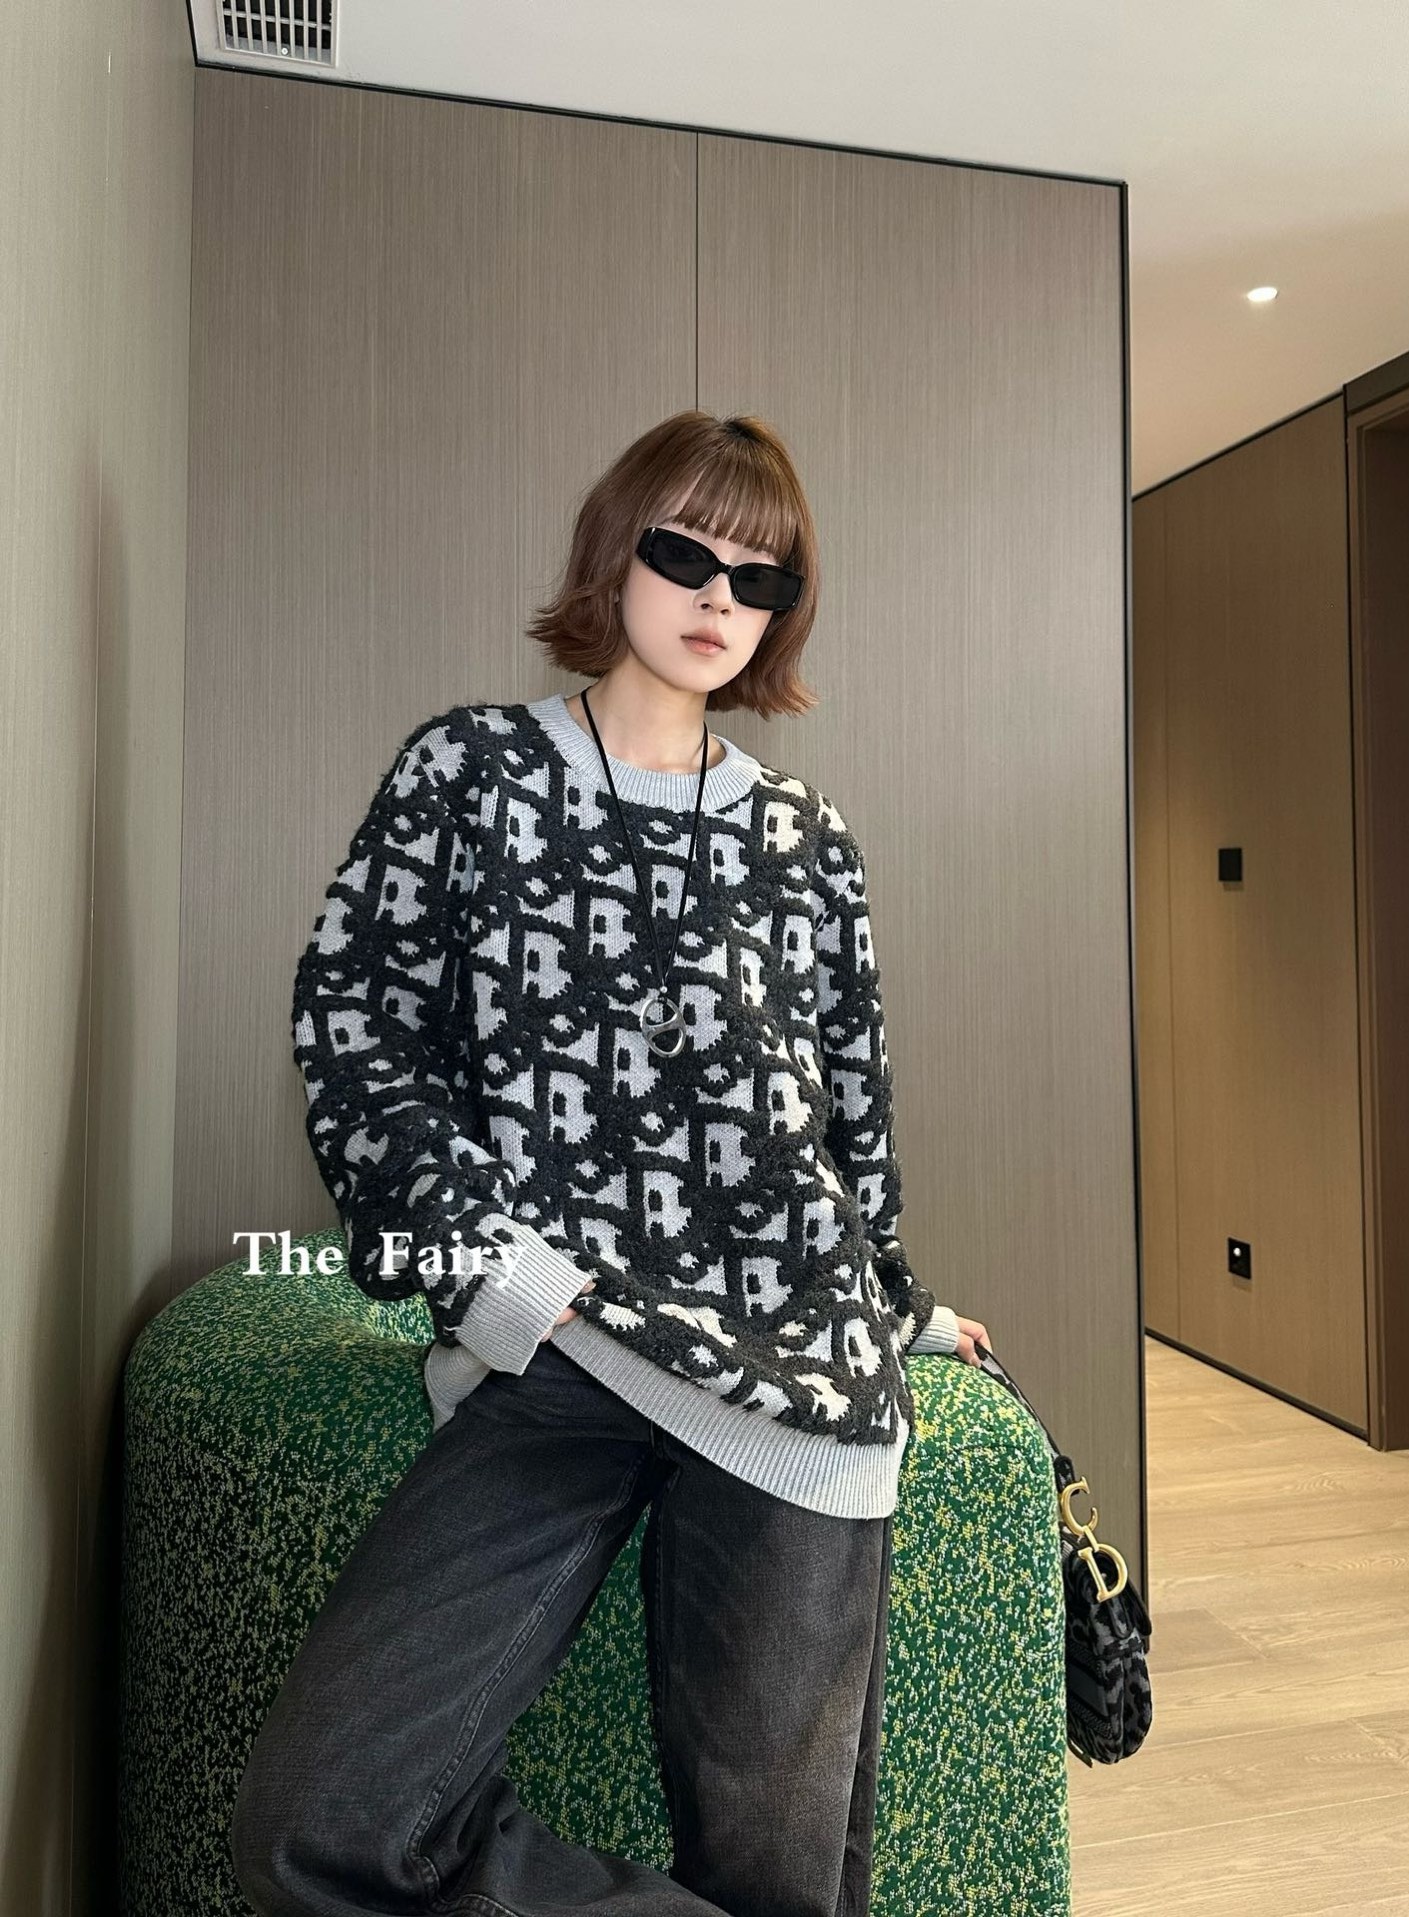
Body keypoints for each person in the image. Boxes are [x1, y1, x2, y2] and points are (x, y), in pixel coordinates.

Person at [230, 410, 991, 1917]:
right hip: (561, 1355)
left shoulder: (807, 843)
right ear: (614, 551)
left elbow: (846, 1116)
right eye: (686, 552)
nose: (719, 596)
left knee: (781, 1874)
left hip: (791, 1380)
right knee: (318, 1825)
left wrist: (896, 1303)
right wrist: (500, 1279)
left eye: (761, 577)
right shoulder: (470, 772)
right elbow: (356, 1028)